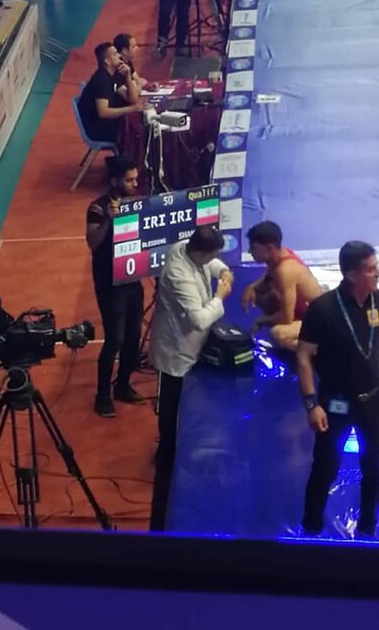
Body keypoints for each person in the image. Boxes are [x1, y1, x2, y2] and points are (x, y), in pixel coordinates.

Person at [297, 240, 379, 538]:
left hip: (375, 399)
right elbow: (303, 356)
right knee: (326, 466)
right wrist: (312, 404)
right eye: (371, 269)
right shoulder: (324, 309)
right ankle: (311, 527)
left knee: (374, 467)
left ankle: (367, 530)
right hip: (336, 402)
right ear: (352, 275)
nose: (378, 273)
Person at [148, 226, 233, 529]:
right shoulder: (178, 274)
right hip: (177, 349)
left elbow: (212, 263)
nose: (213, 259)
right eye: (212, 255)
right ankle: (167, 456)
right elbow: (198, 319)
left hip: (192, 347)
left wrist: (223, 271)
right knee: (172, 408)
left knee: (191, 403)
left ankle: (178, 447)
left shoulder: (187, 246)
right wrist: (220, 295)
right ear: (199, 252)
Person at [86, 155, 145, 417]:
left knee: (133, 337)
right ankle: (102, 395)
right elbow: (92, 243)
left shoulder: (138, 204)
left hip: (133, 278)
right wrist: (109, 220)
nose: (135, 184)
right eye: (130, 180)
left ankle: (122, 385)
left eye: (135, 179)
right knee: (114, 340)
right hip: (110, 283)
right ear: (115, 181)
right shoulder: (98, 208)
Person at [242, 221, 323, 351]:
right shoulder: (280, 254)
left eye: (253, 247)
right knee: (261, 294)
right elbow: (269, 275)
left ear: (269, 248)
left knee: (279, 334)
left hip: (319, 321)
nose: (249, 251)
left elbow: (286, 319)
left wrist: (261, 320)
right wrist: (251, 287)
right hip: (306, 311)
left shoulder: (285, 271)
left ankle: (323, 349)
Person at [78, 41, 143, 144]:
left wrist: (128, 76)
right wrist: (132, 109)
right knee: (139, 131)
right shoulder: (101, 80)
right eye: (115, 54)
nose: (119, 56)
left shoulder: (113, 76)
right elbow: (103, 112)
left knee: (139, 122)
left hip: (108, 124)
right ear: (107, 61)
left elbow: (132, 99)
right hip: (98, 130)